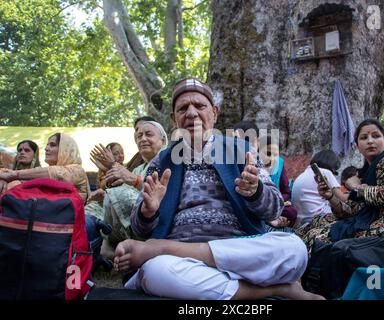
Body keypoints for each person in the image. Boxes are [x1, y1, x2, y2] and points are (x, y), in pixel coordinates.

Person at [113, 77, 322, 300]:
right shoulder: (162, 161)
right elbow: (139, 229)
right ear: (174, 119)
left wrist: (256, 192)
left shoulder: (242, 151)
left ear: (214, 112)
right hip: (183, 261)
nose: (192, 113)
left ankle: (169, 254)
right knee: (155, 271)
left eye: (200, 106)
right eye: (183, 108)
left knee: (294, 248)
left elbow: (274, 210)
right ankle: (274, 290)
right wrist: (148, 211)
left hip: (240, 251)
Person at [297, 119, 384, 257]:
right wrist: (330, 196)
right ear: (357, 145)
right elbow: (351, 211)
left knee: (317, 239)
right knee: (314, 223)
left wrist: (356, 188)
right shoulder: (365, 172)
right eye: (364, 138)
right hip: (369, 221)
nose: (370, 141)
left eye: (376, 136)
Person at [87, 120, 168, 259]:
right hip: (133, 217)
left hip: (153, 220)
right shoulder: (138, 168)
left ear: (162, 139)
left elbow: (163, 192)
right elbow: (122, 188)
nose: (142, 139)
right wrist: (110, 170)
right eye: (139, 136)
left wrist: (132, 179)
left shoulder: (168, 160)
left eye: (148, 134)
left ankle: (118, 247)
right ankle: (104, 245)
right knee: (92, 208)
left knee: (118, 193)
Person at [0, 133, 89, 201]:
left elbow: (55, 173)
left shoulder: (77, 170)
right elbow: (5, 172)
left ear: (65, 149)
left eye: (52, 145)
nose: (46, 148)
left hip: (71, 220)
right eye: (47, 145)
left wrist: (13, 176)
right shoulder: (40, 172)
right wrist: (4, 179)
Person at [291, 150, 343, 227]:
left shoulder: (304, 173)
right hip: (316, 218)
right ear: (332, 167)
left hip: (299, 221)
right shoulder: (325, 172)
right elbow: (341, 198)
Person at [259, 135, 297, 228]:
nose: (272, 159)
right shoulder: (254, 166)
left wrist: (279, 201)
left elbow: (286, 192)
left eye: (275, 155)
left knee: (291, 213)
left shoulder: (279, 164)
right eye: (268, 153)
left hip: (276, 204)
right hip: (258, 204)